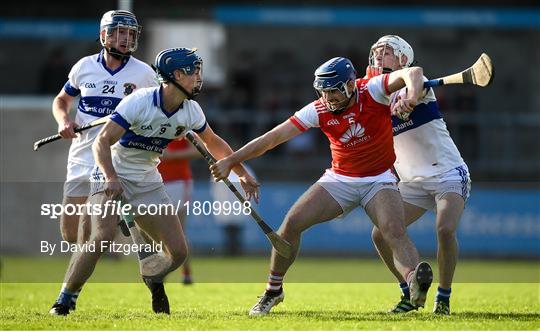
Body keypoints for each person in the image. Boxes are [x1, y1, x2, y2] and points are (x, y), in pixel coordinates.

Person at [210, 56, 433, 316]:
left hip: (379, 178)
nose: (329, 97)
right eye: (324, 91)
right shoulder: (318, 110)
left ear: (350, 85)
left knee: (393, 230)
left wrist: (413, 97)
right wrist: (232, 160)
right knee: (291, 224)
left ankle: (413, 282)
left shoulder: (372, 89)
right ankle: (273, 290)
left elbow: (414, 72)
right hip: (340, 179)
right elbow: (271, 139)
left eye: (334, 90)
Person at [48, 47, 259, 316]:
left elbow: (214, 143)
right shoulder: (139, 102)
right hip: (113, 173)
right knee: (101, 237)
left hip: (148, 180)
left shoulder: (191, 110)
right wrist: (111, 177)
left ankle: (151, 273)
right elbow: (102, 142)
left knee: (178, 253)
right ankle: (65, 299)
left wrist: (241, 173)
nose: (199, 77)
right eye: (194, 72)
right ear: (177, 75)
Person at [49, 9, 158, 314]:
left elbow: (155, 110)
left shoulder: (144, 74)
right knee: (70, 233)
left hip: (113, 158)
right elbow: (62, 100)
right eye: (120, 32)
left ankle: (67, 297)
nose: (126, 39)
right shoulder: (84, 67)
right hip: (81, 155)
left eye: (131, 34)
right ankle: (127, 221)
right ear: (104, 35)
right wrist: (63, 120)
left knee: (92, 237)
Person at [366, 35, 471, 315]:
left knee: (445, 229)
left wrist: (410, 100)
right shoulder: (376, 95)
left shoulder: (419, 87)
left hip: (448, 172)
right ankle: (408, 292)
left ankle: (443, 298)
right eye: (376, 52)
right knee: (379, 234)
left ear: (402, 58)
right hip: (412, 182)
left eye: (386, 52)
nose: (379, 56)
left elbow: (416, 76)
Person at [157, 138, 200, 284]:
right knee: (160, 231)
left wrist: (172, 155)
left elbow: (200, 149)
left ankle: (184, 271)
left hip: (179, 181)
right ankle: (164, 270)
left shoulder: (184, 121)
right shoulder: (149, 119)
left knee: (179, 231)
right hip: (155, 182)